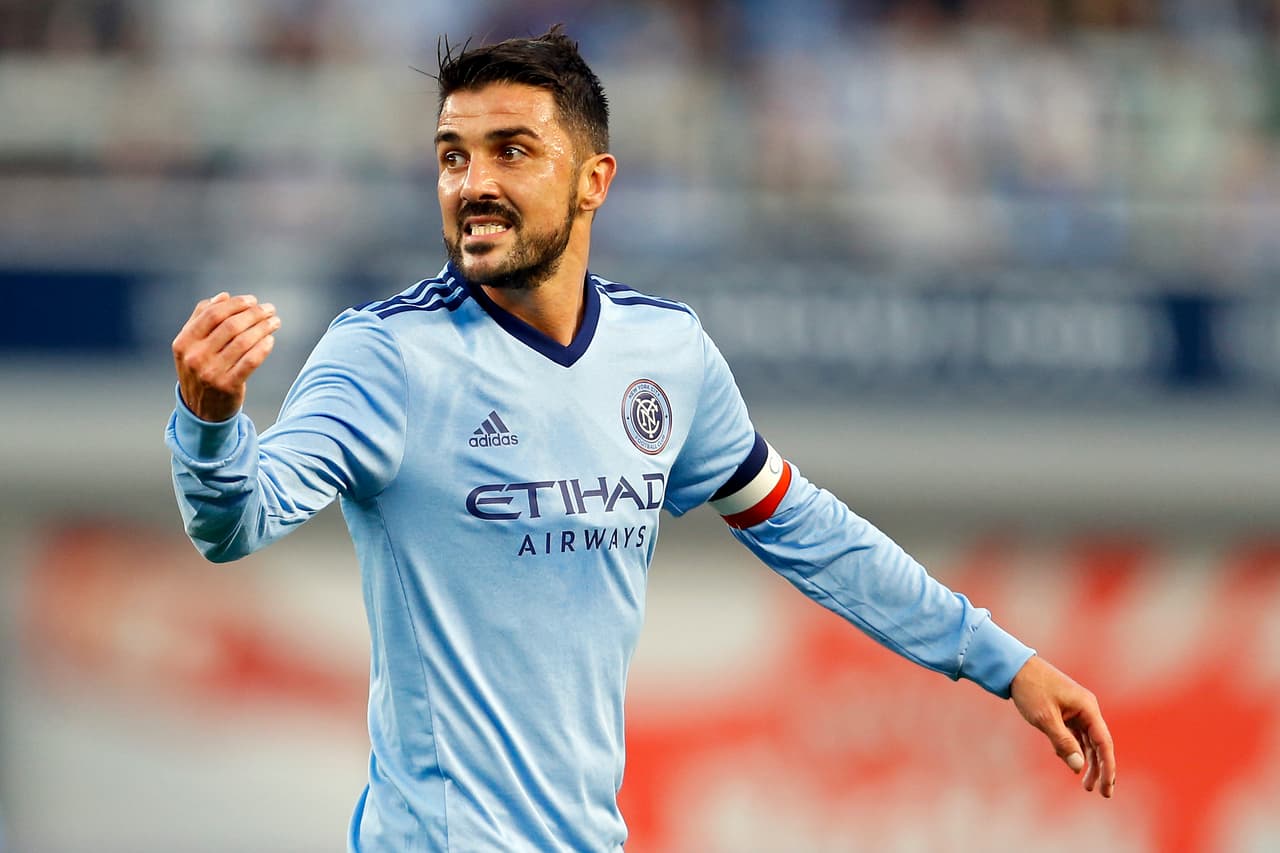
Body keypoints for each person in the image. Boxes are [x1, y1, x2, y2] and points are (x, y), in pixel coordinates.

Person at [166, 25, 1117, 852]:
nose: (474, 184)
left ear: (593, 180)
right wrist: (211, 424)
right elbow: (236, 522)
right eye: (453, 156)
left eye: (511, 152)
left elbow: (803, 526)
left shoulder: (664, 351)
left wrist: (1006, 661)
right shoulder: (384, 356)